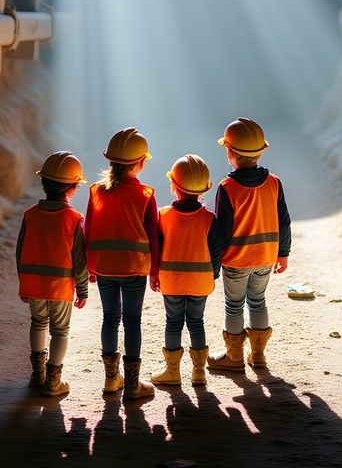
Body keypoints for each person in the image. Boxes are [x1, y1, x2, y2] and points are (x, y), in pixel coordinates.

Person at [208, 118, 291, 372]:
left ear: (230, 153)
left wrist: (213, 267)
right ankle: (258, 355)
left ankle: (234, 358)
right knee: (258, 301)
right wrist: (283, 253)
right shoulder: (274, 182)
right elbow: (284, 221)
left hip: (236, 259)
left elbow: (221, 231)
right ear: (261, 152)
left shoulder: (227, 187)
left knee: (234, 305)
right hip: (265, 257)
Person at [84, 127, 159, 400]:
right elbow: (153, 236)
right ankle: (133, 385)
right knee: (132, 321)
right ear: (140, 163)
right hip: (134, 268)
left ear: (110, 161)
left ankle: (110, 380)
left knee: (110, 319)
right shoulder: (146, 195)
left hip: (103, 266)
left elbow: (87, 230)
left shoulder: (95, 191)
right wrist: (155, 271)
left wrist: (90, 266)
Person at [16, 151, 89, 397]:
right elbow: (79, 261)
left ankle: (38, 376)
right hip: (61, 286)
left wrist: (23, 283)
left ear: (43, 182)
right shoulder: (74, 219)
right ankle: (53, 382)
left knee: (38, 323)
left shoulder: (30, 215)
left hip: (33, 283)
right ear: (74, 187)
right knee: (60, 331)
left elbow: (20, 252)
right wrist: (83, 289)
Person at [150, 154, 223, 387]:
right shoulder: (209, 219)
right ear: (204, 189)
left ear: (173, 186)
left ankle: (173, 372)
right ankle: (199, 372)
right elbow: (215, 251)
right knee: (196, 322)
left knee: (173, 323)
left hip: (171, 280)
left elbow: (157, 248)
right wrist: (212, 274)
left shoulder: (163, 216)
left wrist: (154, 274)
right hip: (200, 282)